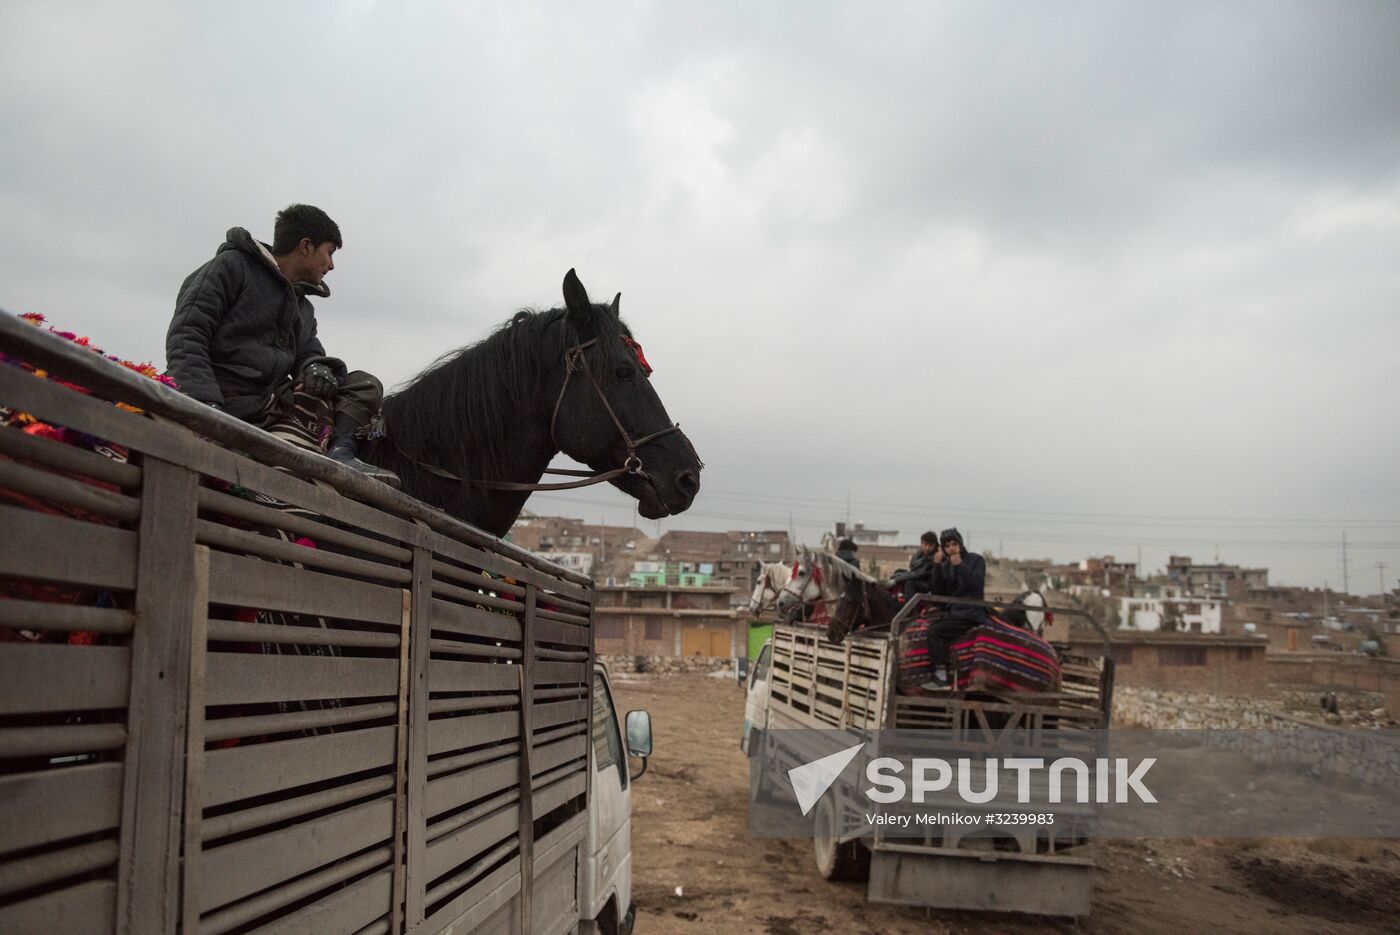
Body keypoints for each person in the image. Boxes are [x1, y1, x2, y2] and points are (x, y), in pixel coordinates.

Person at [166, 204, 398, 486]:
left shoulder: (303, 307)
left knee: (364, 385)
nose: (331, 265)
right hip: (227, 397)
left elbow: (308, 351)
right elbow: (187, 334)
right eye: (330, 252)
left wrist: (314, 368)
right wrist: (205, 403)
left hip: (272, 405)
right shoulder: (231, 267)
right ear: (306, 246)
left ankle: (341, 452)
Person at [921, 528, 988, 690]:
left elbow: (977, 584)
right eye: (947, 545)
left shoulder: (976, 560)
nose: (951, 548)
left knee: (934, 632)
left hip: (970, 613)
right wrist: (936, 567)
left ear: (960, 544)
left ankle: (941, 677)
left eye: (954, 544)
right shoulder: (946, 566)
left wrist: (960, 566)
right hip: (954, 611)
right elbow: (939, 592)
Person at [892, 530, 940, 601]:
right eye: (925, 544)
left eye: (930, 545)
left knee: (909, 583)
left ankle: (911, 606)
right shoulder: (920, 555)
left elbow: (918, 574)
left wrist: (897, 579)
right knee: (898, 572)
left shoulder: (934, 558)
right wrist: (898, 576)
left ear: (934, 546)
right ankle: (900, 596)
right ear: (921, 544)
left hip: (928, 584)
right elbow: (913, 569)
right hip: (920, 579)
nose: (927, 548)